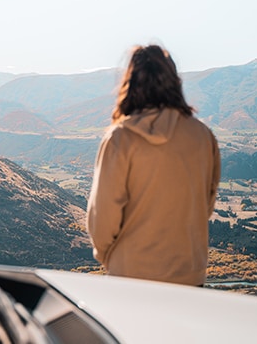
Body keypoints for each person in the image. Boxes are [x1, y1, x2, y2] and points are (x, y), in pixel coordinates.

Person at [86, 44, 221, 286]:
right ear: (174, 81)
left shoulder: (121, 138)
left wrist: (109, 257)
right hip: (189, 274)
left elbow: (102, 216)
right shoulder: (203, 136)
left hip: (132, 273)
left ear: (130, 83)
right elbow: (205, 206)